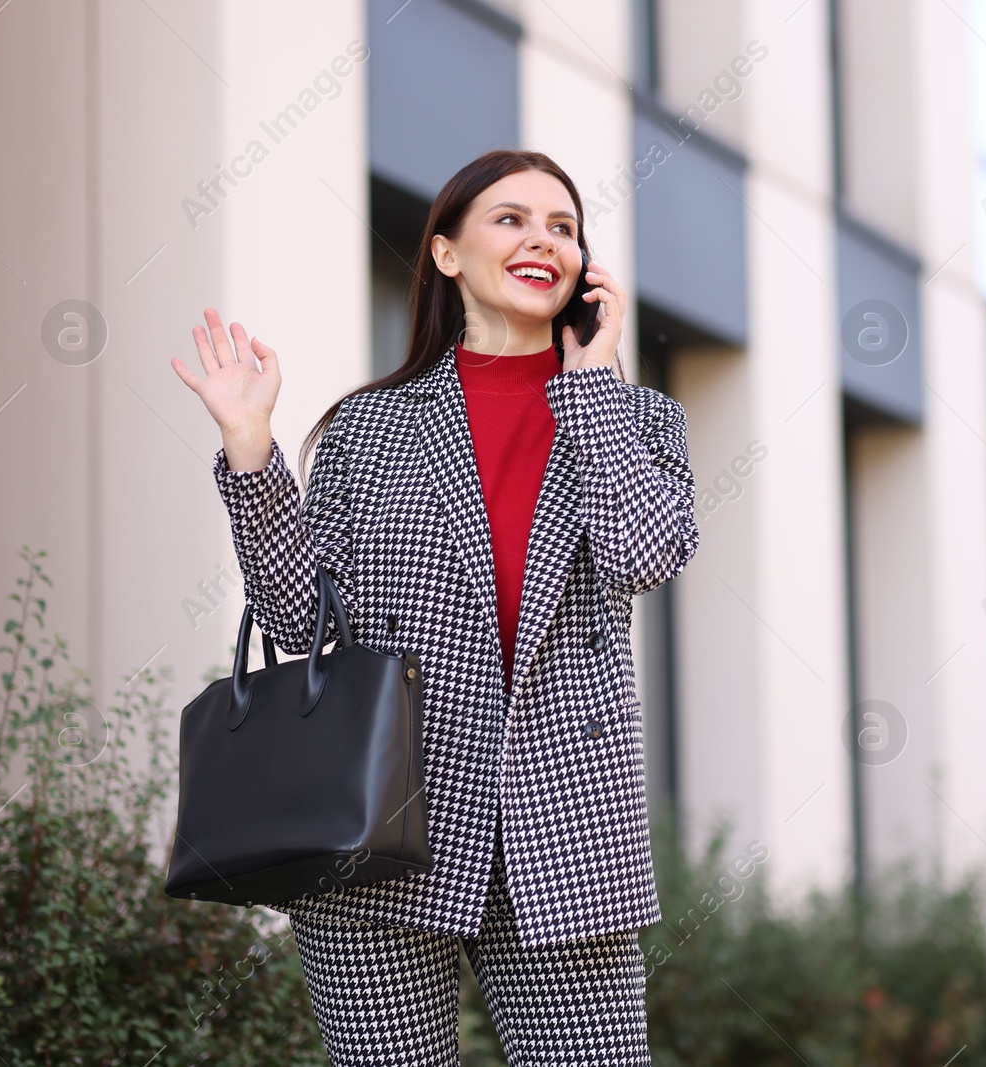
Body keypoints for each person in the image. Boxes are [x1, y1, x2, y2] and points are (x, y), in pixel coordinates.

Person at [170, 148, 700, 1065]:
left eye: (563, 227)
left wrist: (588, 384)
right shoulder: (369, 428)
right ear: (448, 254)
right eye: (512, 219)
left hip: (568, 833)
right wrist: (252, 453)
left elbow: (642, 555)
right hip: (376, 827)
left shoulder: (637, 419)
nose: (543, 239)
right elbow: (303, 624)